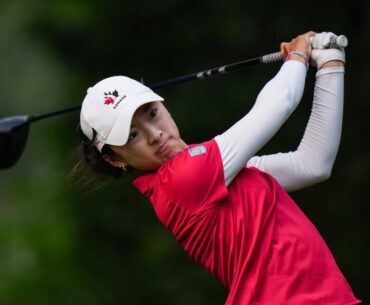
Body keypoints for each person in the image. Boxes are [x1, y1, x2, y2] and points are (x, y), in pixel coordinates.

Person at [76, 31, 361, 304]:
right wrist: (299, 54)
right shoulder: (184, 179)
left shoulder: (216, 172)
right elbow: (279, 104)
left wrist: (330, 64)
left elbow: (312, 164)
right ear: (115, 159)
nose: (155, 134)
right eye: (133, 135)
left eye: (152, 113)